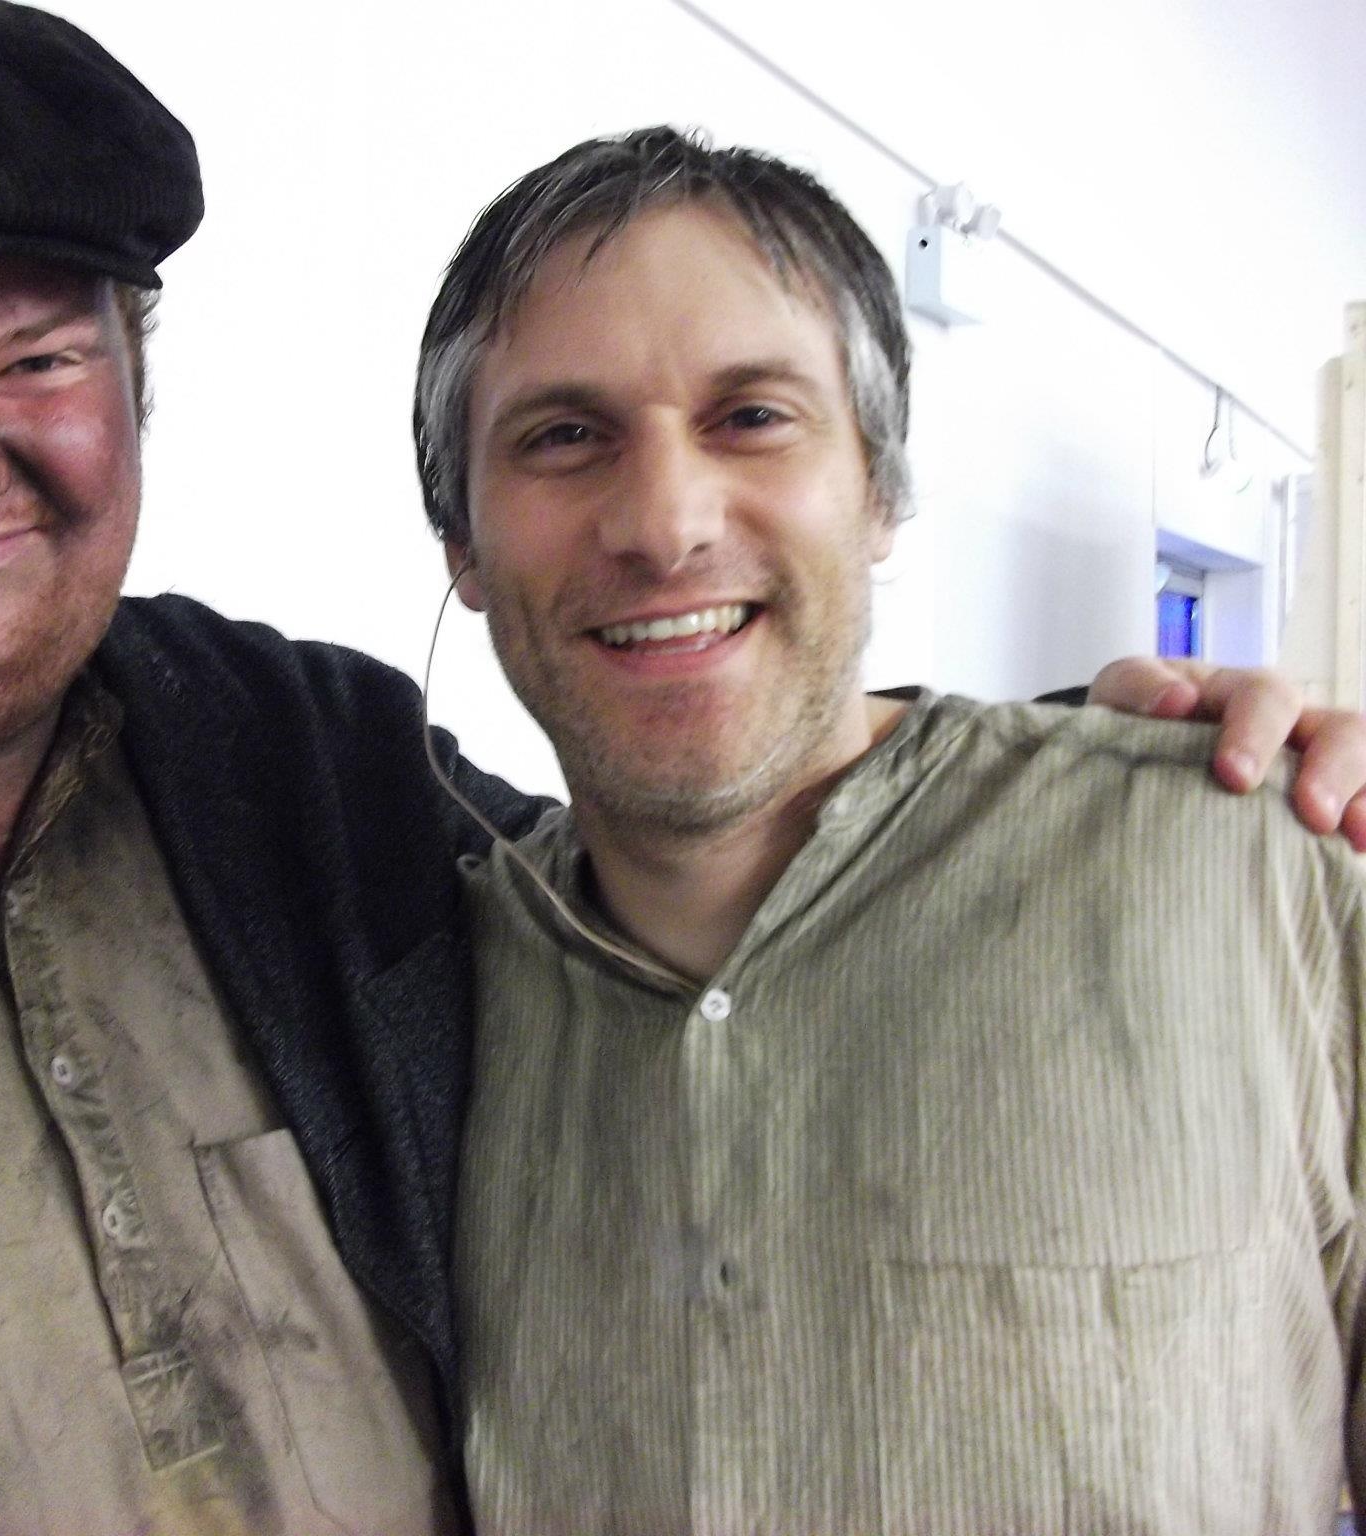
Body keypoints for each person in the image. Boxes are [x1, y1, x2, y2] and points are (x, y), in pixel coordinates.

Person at [0, 4, 1352, 1531]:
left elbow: (715, 803)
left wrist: (1182, 775)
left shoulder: (318, 771)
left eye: (35, 361)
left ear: (134, 385)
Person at [427, 126, 1366, 1534]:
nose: (666, 522)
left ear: (880, 488)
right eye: (565, 436)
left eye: (752, 416)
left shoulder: (1247, 862)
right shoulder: (416, 1015)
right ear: (462, 545)